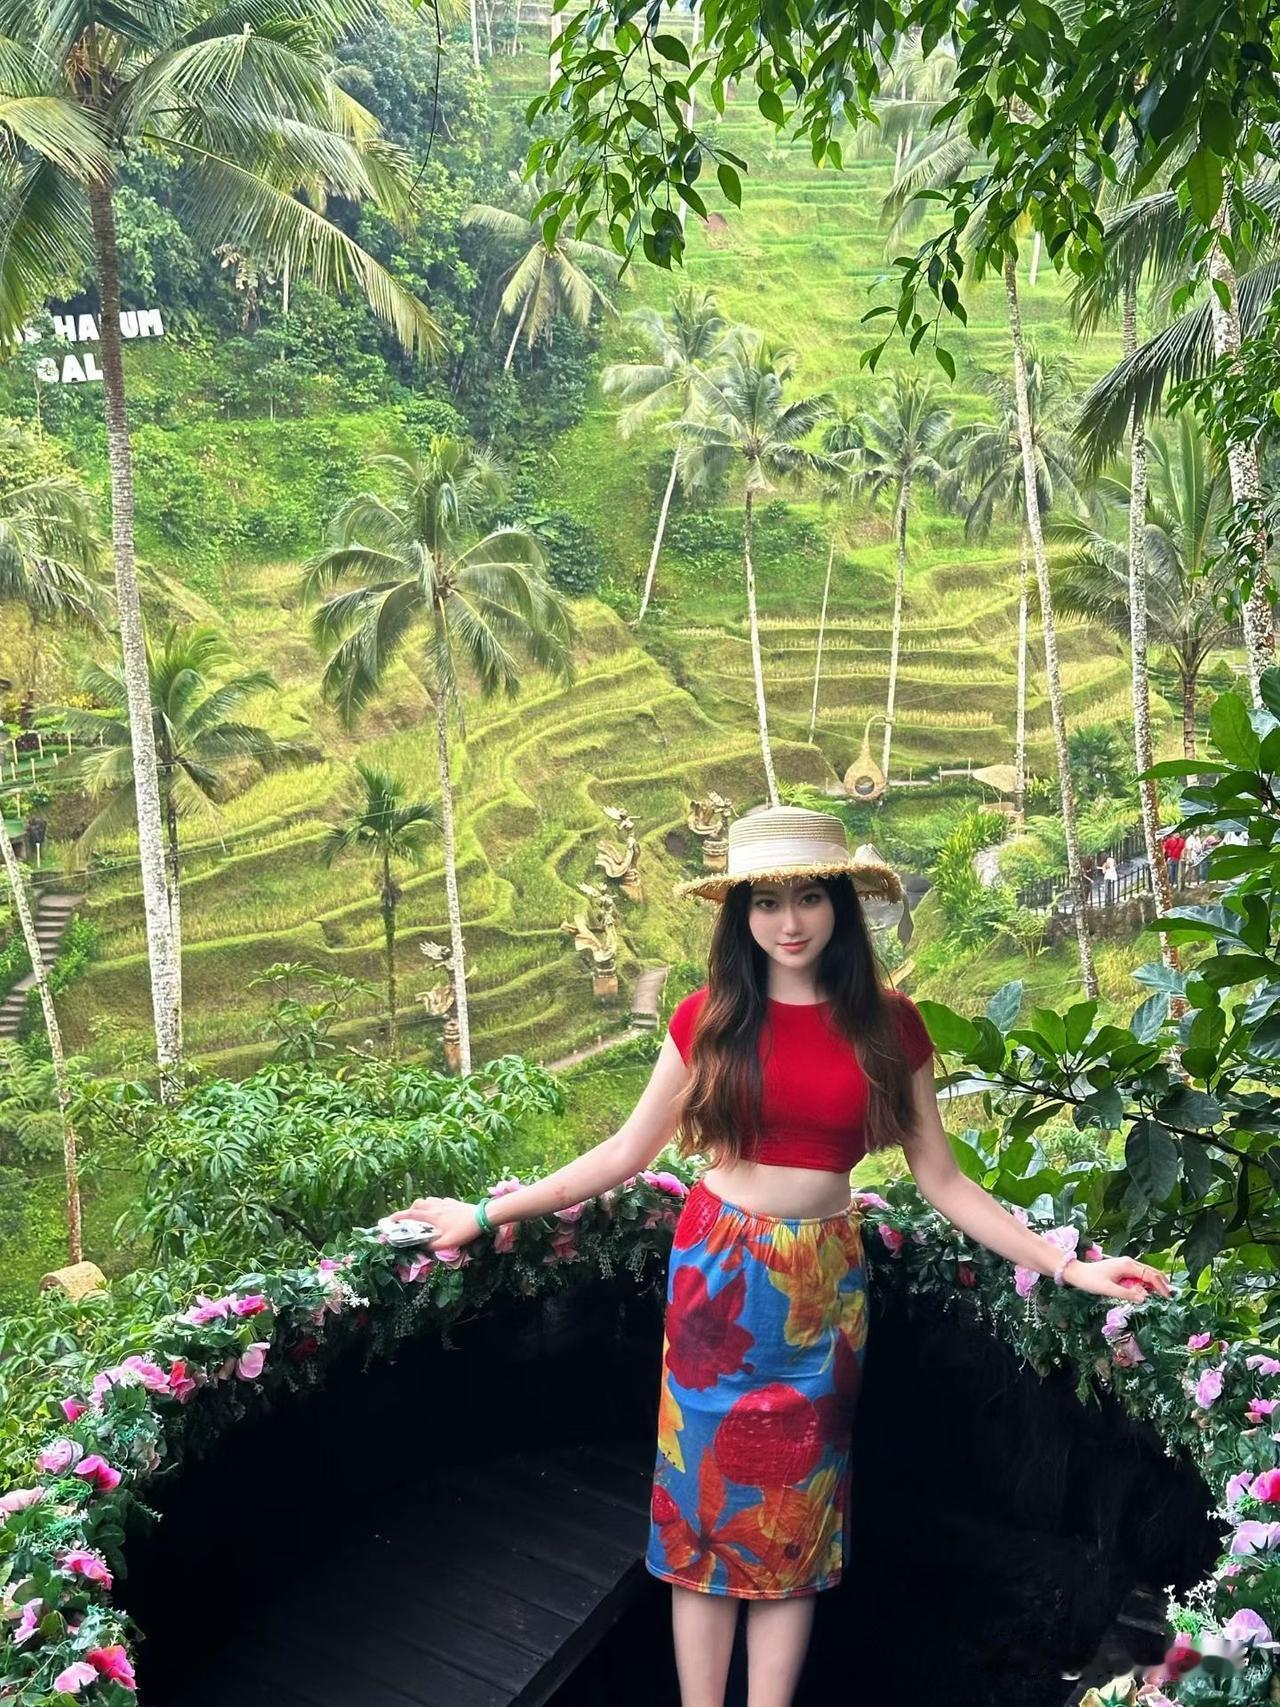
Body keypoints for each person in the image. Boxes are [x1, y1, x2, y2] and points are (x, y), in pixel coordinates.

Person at [391, 804, 1172, 1707]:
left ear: (841, 903)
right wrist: (484, 1212)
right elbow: (619, 1155)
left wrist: (1067, 1265)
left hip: (821, 1290)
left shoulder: (892, 1024)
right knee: (703, 1516)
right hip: (717, 1278)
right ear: (741, 915)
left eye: (809, 896)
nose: (789, 921)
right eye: (766, 901)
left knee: (796, 1527)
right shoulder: (709, 1018)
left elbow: (947, 1183)